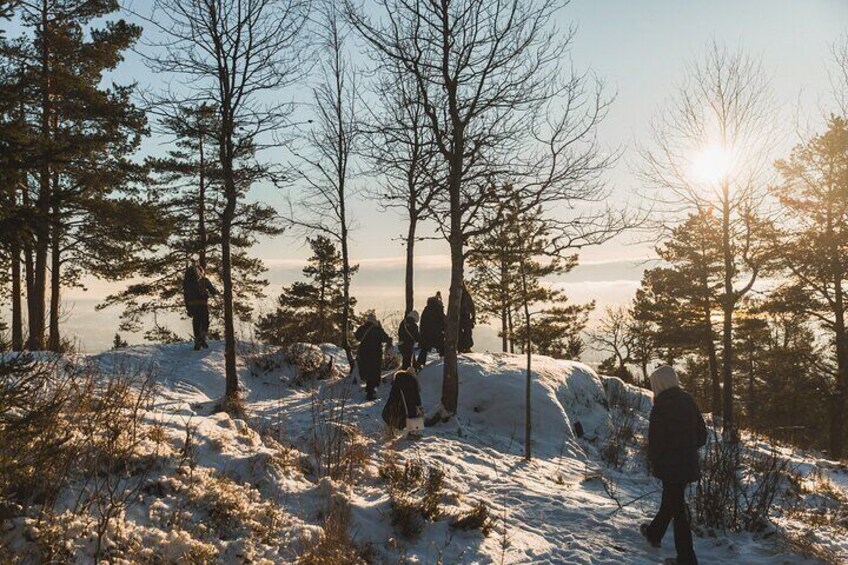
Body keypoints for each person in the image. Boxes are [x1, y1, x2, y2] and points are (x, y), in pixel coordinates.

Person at [640, 365, 707, 565]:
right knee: (671, 501)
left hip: (670, 467)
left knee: (678, 510)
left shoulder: (660, 407)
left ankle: (686, 559)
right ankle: (654, 533)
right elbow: (702, 435)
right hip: (688, 465)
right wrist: (687, 448)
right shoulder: (688, 400)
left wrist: (657, 461)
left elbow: (656, 443)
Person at [355, 313, 392, 401]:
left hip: (363, 353)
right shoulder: (377, 329)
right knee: (373, 371)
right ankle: (370, 393)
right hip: (375, 354)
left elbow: (357, 337)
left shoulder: (362, 328)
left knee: (367, 370)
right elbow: (385, 338)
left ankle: (369, 389)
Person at [182, 262, 218, 350]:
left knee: (196, 321)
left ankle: (197, 339)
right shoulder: (204, 280)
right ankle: (202, 337)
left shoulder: (186, 282)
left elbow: (186, 296)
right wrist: (214, 292)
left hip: (192, 305)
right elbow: (213, 291)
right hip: (202, 303)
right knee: (205, 321)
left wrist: (188, 309)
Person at [417, 292, 445, 367]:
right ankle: (444, 362)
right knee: (443, 346)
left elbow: (422, 323)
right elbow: (443, 321)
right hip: (436, 333)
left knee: (424, 348)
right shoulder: (437, 309)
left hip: (426, 334)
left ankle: (419, 364)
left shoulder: (426, 309)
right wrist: (445, 329)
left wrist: (422, 334)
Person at [458, 281, 476, 353]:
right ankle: (464, 347)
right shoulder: (466, 295)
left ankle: (464, 347)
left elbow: (471, 306)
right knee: (466, 332)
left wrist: (473, 316)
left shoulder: (463, 295)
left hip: (463, 316)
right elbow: (472, 306)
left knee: (466, 332)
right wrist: (473, 316)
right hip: (464, 316)